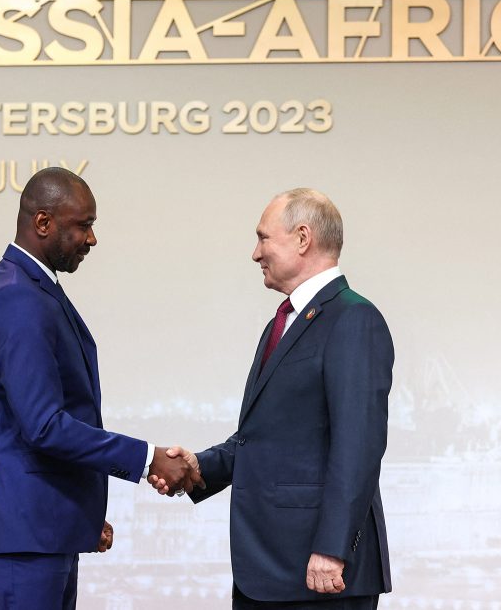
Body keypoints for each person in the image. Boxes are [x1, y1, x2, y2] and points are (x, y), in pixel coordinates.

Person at [0, 167, 201, 609]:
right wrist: (148, 459)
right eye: (83, 225)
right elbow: (44, 426)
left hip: (41, 528)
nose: (91, 239)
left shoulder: (36, 289)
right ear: (43, 223)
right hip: (23, 534)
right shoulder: (18, 297)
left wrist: (79, 518)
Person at [158, 188, 393, 608]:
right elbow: (263, 438)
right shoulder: (280, 323)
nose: (255, 253)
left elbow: (359, 444)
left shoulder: (354, 318)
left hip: (319, 572)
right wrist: (199, 468)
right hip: (269, 570)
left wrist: (332, 548)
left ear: (303, 238)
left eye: (264, 238)